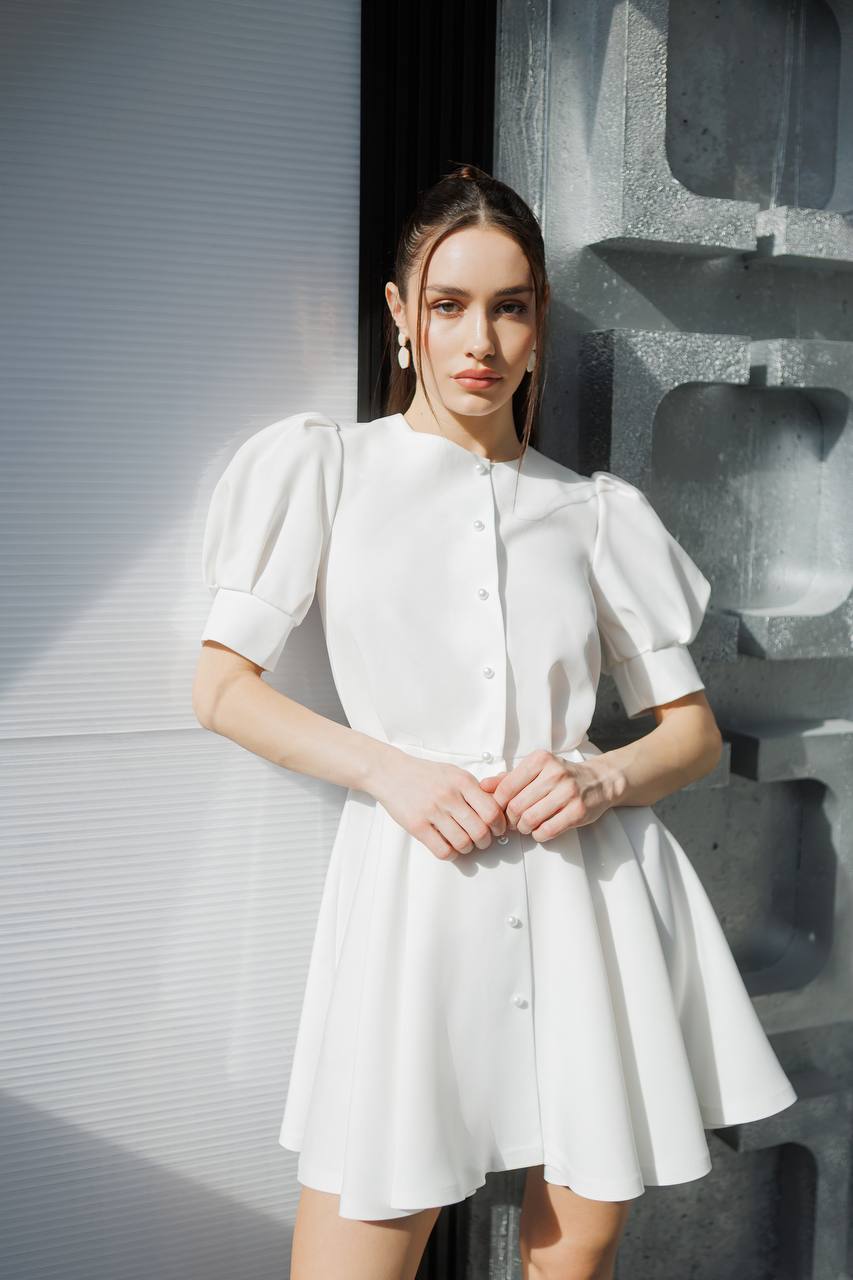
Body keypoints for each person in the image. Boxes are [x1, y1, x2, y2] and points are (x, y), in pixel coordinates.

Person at [192, 163, 797, 1280]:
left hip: (590, 901)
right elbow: (221, 688)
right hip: (416, 899)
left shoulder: (595, 512)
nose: (480, 339)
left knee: (574, 1253)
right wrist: (390, 772)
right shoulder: (328, 471)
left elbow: (691, 735)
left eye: (509, 307)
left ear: (539, 320)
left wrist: (601, 777)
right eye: (448, 304)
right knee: (360, 1245)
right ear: (400, 314)